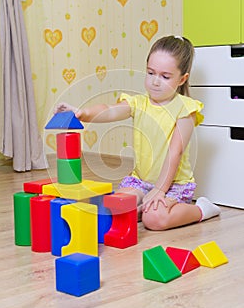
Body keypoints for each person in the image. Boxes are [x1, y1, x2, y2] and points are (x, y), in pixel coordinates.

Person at [54, 35, 221, 230]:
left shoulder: (185, 109)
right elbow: (109, 110)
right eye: (151, 73)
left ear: (182, 79)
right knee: (113, 207)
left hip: (172, 185)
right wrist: (82, 113)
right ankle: (143, 207)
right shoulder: (138, 103)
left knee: (154, 220)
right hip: (141, 182)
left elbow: (174, 153)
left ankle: (201, 209)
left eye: (165, 76)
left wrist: (160, 190)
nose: (155, 82)